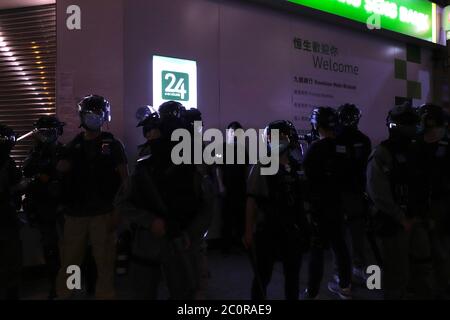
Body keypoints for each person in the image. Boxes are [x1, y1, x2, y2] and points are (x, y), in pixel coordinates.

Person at [115, 101, 212, 300]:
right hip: (147, 246)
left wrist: (190, 234)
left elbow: (206, 207)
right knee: (144, 291)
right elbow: (122, 202)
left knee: (184, 292)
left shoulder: (192, 169)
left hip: (179, 245)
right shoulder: (144, 169)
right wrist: (150, 221)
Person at [55, 95, 128, 300]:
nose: (93, 118)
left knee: (104, 261)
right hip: (75, 214)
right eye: (89, 114)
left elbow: (125, 181)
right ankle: (68, 293)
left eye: (97, 114)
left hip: (103, 213)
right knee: (71, 261)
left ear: (104, 116)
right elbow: (61, 172)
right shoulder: (72, 146)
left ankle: (104, 294)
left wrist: (118, 211)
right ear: (81, 116)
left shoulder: (112, 145)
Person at [243, 120, 310, 300]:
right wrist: (248, 231)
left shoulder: (296, 166)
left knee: (293, 275)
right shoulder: (263, 165)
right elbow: (251, 199)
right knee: (263, 276)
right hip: (269, 229)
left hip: (292, 230)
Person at [366, 103, 425, 299]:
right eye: (408, 123)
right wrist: (401, 218)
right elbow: (378, 192)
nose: (413, 128)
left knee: (415, 270)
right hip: (392, 223)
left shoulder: (415, 150)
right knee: (395, 275)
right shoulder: (383, 152)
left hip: (412, 220)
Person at [302, 107, 352, 300]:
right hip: (338, 206)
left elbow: (306, 175)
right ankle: (345, 285)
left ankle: (312, 293)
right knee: (340, 246)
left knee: (317, 250)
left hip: (319, 208)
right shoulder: (343, 147)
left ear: (317, 125)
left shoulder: (315, 148)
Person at [22, 116, 66, 299]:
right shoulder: (35, 153)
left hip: (64, 207)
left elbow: (66, 176)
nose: (46, 136)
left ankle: (73, 285)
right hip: (44, 207)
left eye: (50, 132)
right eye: (43, 133)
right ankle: (55, 288)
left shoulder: (64, 152)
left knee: (72, 250)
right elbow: (28, 173)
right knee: (50, 250)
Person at [414, 104, 450, 299]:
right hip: (424, 204)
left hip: (440, 204)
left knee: (439, 248)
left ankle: (441, 286)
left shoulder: (445, 145)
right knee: (426, 250)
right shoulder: (417, 144)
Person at [335, 104, 372, 282]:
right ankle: (355, 267)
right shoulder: (363, 140)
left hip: (345, 193)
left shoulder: (337, 139)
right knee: (354, 233)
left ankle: (342, 271)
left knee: (344, 235)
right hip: (354, 192)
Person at [0, 124, 22, 300]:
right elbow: (12, 188)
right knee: (11, 257)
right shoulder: (5, 162)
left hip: (8, 216)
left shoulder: (8, 161)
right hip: (6, 217)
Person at [219, 121, 248, 253]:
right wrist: (221, 186)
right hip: (227, 188)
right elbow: (218, 168)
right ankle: (225, 247)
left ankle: (240, 244)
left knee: (240, 218)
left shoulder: (243, 149)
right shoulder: (223, 147)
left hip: (241, 188)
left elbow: (247, 169)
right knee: (226, 219)